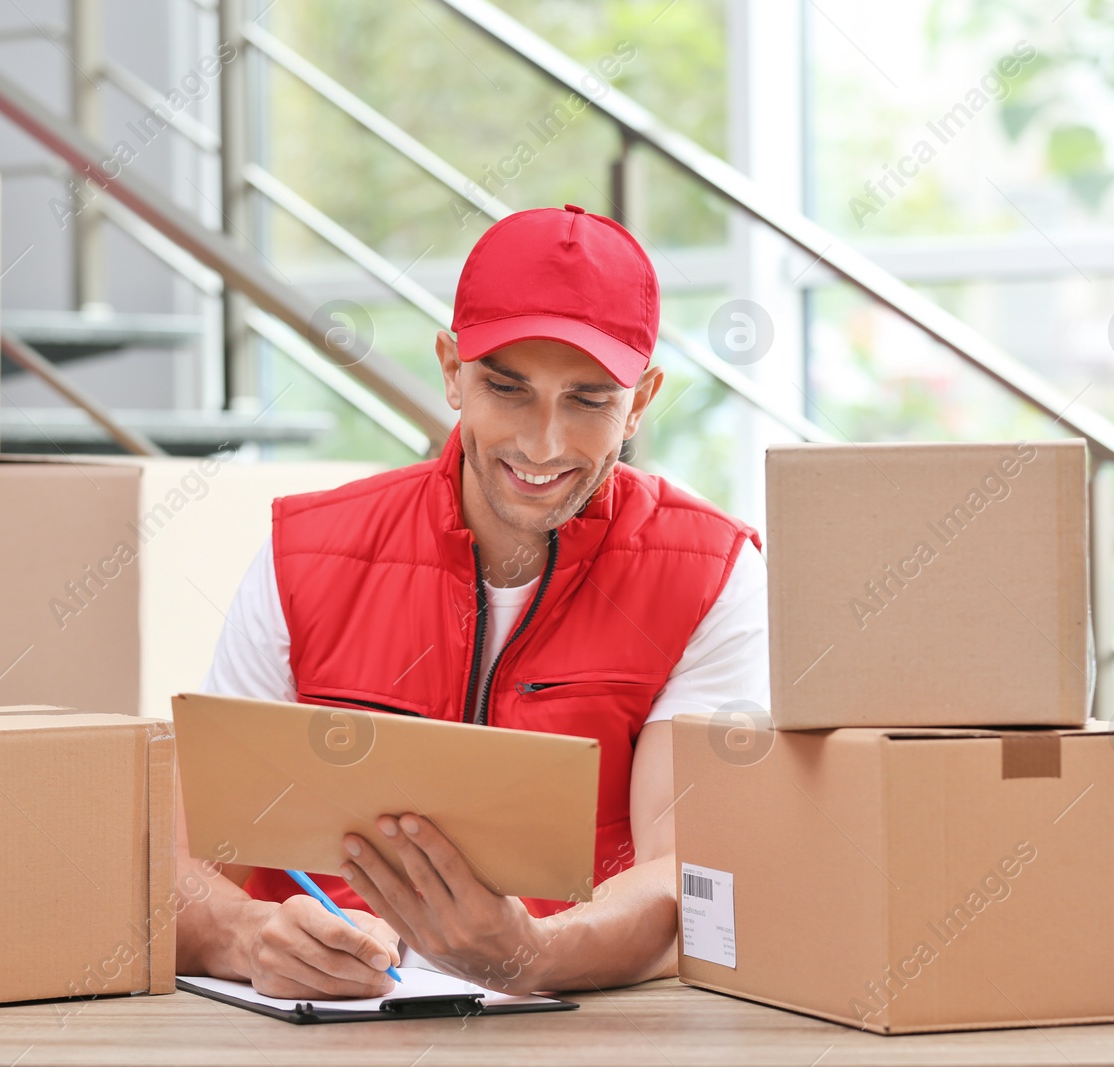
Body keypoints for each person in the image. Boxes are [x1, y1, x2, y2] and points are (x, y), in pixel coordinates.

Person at [174, 203, 768, 999]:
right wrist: (245, 935)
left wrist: (535, 953)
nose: (543, 443)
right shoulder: (302, 554)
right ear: (452, 369)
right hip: (331, 1032)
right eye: (507, 387)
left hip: (577, 1033)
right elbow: (188, 861)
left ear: (643, 397)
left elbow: (685, 873)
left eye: (589, 400)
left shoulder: (711, 572)